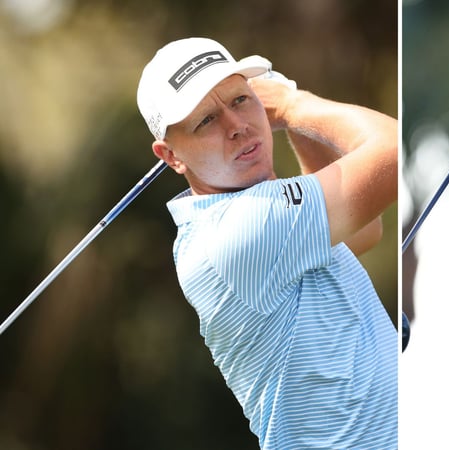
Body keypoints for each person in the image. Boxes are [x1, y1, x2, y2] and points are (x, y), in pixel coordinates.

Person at [136, 37, 398, 449]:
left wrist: (294, 120)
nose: (236, 125)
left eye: (241, 100)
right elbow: (392, 150)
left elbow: (366, 231)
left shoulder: (246, 217)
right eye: (205, 120)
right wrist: (296, 105)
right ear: (171, 156)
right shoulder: (239, 230)